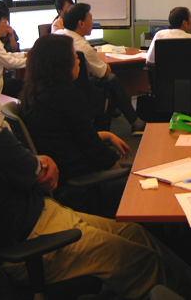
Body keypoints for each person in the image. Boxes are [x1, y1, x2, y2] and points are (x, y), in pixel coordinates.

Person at [0, 39, 191, 300]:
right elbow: (44, 176)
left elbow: (34, 169)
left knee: (133, 232)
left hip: (44, 218)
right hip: (37, 238)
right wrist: (41, 164)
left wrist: (40, 164)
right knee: (139, 258)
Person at [19, 34, 131, 215]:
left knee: (134, 172)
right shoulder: (67, 97)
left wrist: (108, 135)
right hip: (80, 184)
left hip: (63, 177)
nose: (78, 60)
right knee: (140, 181)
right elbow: (93, 148)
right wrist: (118, 174)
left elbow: (69, 136)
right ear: (61, 64)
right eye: (73, 56)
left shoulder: (31, 95)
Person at [55, 3, 146, 135]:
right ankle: (128, 124)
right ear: (81, 23)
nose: (93, 23)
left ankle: (131, 124)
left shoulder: (57, 36)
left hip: (59, 92)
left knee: (111, 84)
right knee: (111, 81)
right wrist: (104, 66)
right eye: (90, 19)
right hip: (81, 93)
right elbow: (104, 72)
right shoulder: (84, 48)